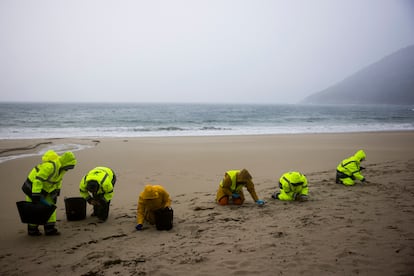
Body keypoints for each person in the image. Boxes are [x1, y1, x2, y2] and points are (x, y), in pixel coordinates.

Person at [22, 150, 77, 236]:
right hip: (32, 187)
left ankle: (50, 229)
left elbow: (58, 181)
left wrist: (56, 192)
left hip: (46, 190)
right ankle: (32, 230)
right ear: (65, 163)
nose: (68, 169)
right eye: (68, 167)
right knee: (33, 208)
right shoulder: (50, 166)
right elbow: (38, 180)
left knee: (51, 207)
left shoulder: (62, 169)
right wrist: (36, 194)